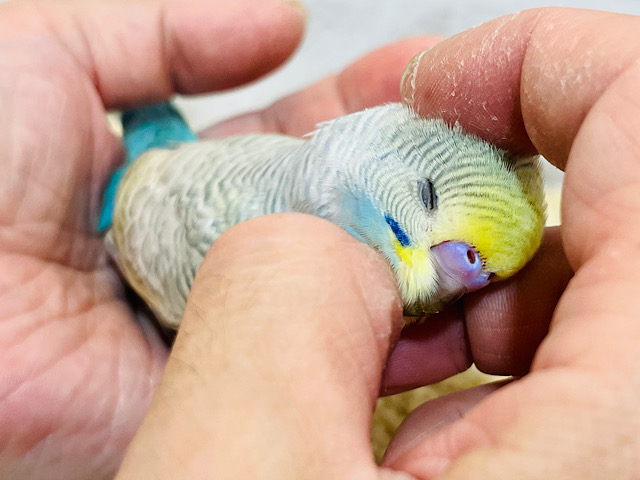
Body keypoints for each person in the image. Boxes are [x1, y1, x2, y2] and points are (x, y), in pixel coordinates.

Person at [0, 0, 637, 478]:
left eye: (486, 274)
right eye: (429, 203)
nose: (468, 278)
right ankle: (147, 153)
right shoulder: (243, 229)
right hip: (144, 206)